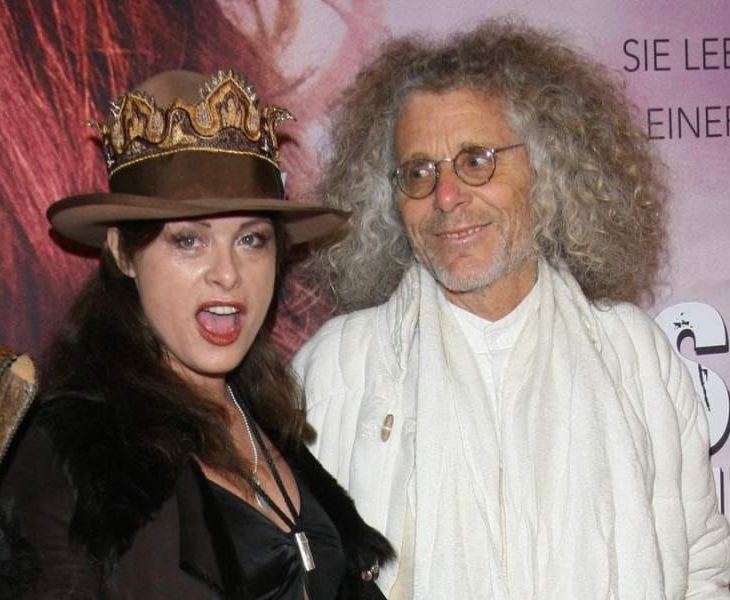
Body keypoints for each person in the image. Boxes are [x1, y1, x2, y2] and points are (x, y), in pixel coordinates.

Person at [292, 19, 730, 599]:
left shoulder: (637, 357)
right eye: (419, 172)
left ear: (545, 170)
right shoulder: (332, 370)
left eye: (477, 160)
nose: (447, 197)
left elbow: (703, 572)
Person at [0, 69, 392, 599]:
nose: (227, 273)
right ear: (124, 254)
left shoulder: (267, 419)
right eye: (189, 241)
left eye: (251, 239)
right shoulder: (80, 445)